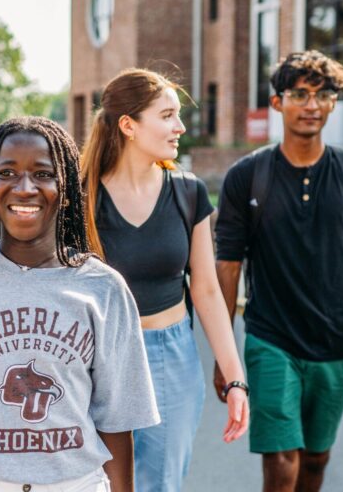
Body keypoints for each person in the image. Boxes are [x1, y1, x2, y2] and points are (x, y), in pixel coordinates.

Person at [0, 116, 159, 492]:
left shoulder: (103, 288)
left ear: (65, 188)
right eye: (7, 172)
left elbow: (116, 424)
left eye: (42, 174)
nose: (24, 188)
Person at [213, 51, 343, 492]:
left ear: (333, 103)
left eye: (322, 94)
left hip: (337, 343)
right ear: (278, 103)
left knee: (315, 459)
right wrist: (226, 353)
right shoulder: (247, 176)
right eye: (299, 94)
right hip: (271, 339)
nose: (311, 104)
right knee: (282, 458)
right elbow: (228, 264)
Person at [79, 68, 249, 491]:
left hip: (169, 356)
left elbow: (207, 290)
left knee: (160, 484)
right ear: (128, 125)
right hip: (93, 360)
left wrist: (234, 377)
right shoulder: (80, 198)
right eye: (168, 115)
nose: (181, 127)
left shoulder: (188, 192)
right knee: (92, 483)